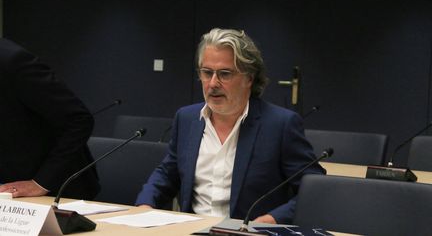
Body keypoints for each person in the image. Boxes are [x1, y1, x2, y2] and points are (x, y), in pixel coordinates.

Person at [135, 28, 325, 224]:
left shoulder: (281, 125)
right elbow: (167, 174)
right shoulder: (187, 118)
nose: (213, 83)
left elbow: (313, 190)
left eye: (225, 74)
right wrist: (145, 205)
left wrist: (272, 219)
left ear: (249, 78)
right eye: (207, 73)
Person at [0, 38, 100, 199]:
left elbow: (79, 120)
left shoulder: (11, 60)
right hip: (8, 187)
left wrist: (40, 183)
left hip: (54, 187)